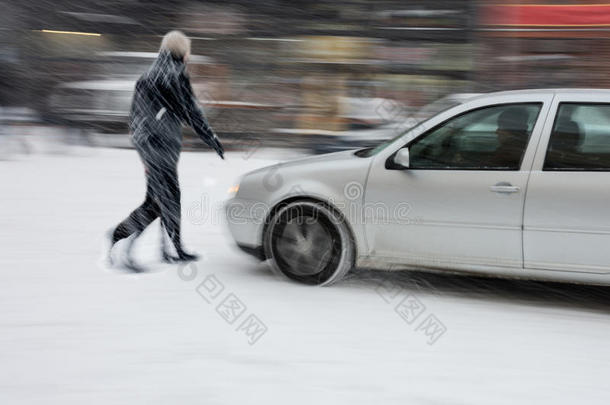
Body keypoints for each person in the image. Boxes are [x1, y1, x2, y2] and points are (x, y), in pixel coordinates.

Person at [108, 30, 224, 269]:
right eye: (188, 50)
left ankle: (171, 249)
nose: (189, 55)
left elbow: (135, 116)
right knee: (162, 201)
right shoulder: (174, 74)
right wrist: (210, 137)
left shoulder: (149, 74)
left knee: (165, 198)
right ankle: (120, 241)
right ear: (182, 51)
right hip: (160, 144)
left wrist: (143, 142)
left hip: (150, 144)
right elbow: (191, 111)